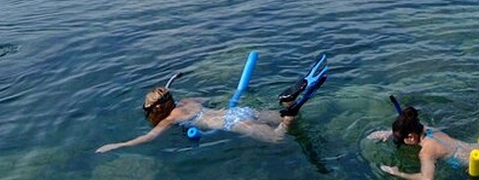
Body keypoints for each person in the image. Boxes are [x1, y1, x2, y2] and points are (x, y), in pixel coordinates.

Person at [96, 54, 328, 153]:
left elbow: (148, 137)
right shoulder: (187, 101)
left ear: (157, 108)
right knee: (280, 119)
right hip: (237, 110)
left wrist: (117, 145)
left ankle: (289, 112)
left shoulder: (171, 118)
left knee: (279, 137)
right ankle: (290, 102)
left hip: (232, 123)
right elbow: (205, 99)